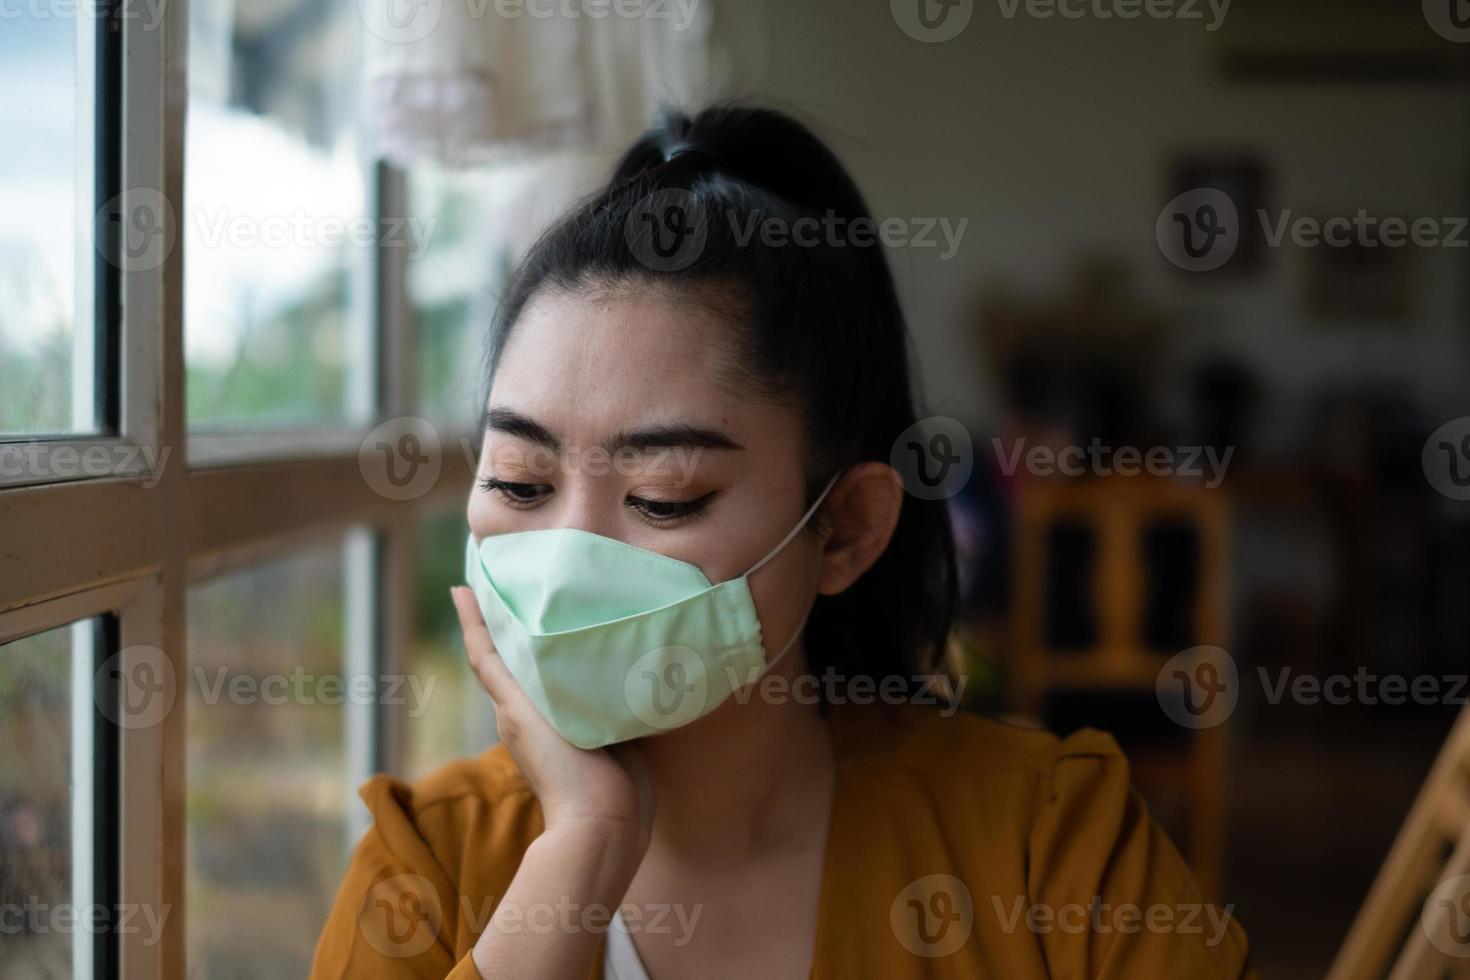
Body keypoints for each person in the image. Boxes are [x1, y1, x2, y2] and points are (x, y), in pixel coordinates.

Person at [310, 102, 1255, 979]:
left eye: (663, 497)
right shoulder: (427, 869)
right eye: (520, 481)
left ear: (844, 528)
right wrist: (582, 849)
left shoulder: (1049, 847)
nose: (566, 559)